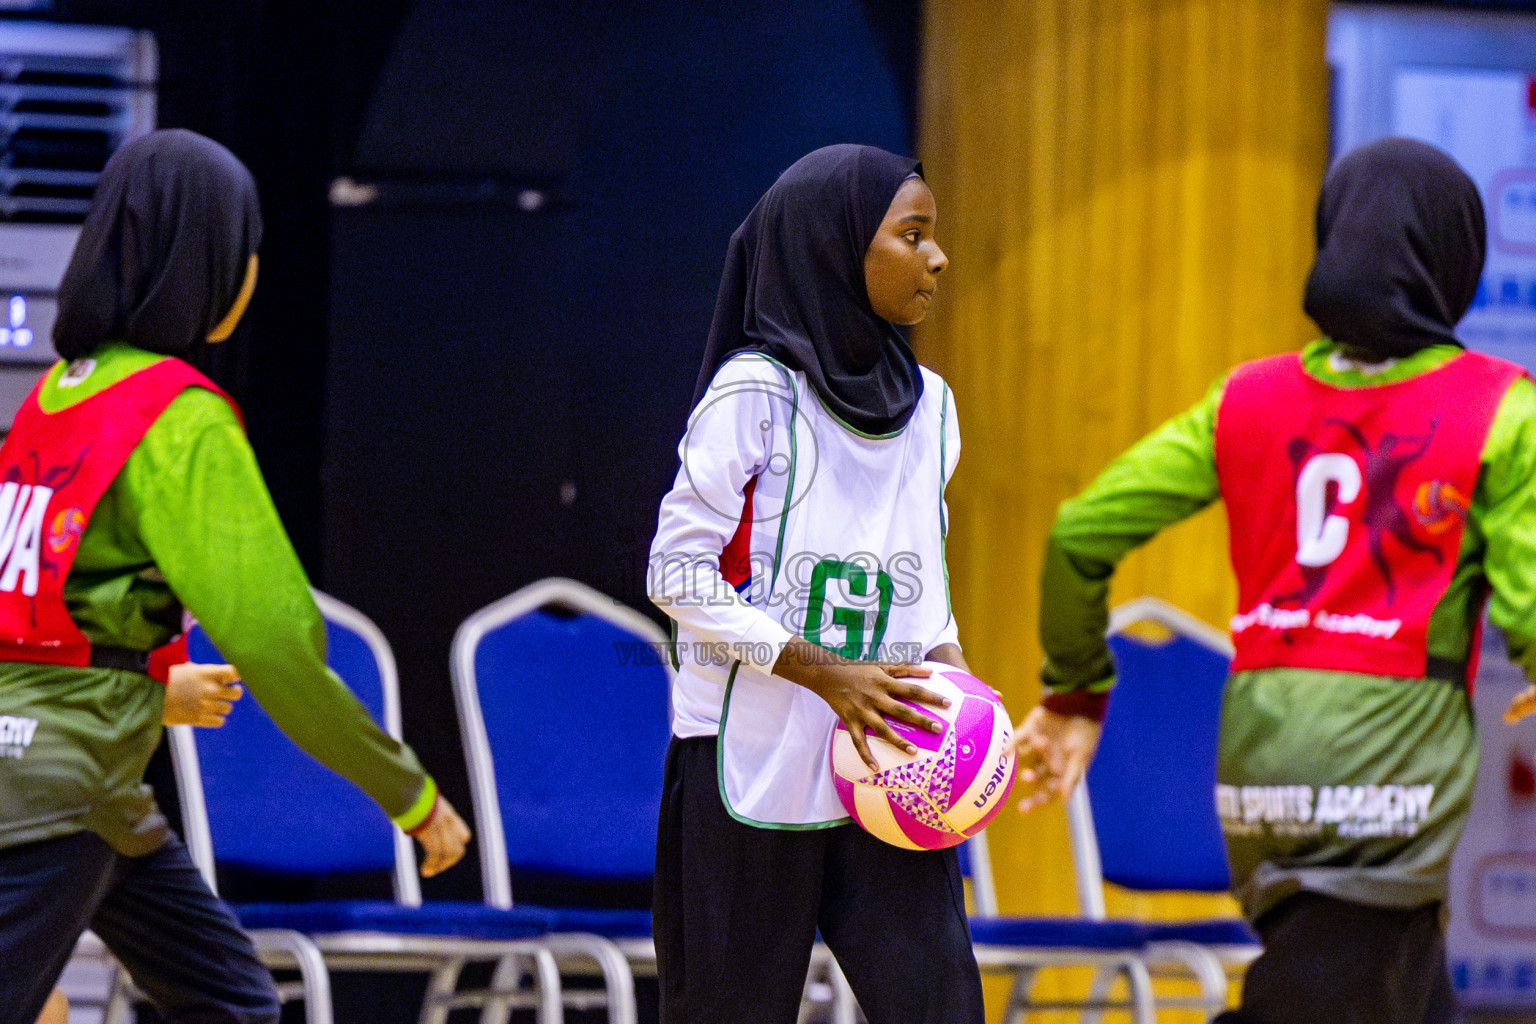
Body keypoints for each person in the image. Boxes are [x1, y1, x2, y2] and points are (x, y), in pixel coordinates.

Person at [1009, 136, 1536, 1024]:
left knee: (1399, 985)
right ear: (1458, 260)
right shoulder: (1503, 407)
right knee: (1338, 983)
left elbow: (1078, 532)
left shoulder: (1245, 398)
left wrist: (1074, 689)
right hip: (1390, 759)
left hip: (1257, 768)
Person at [0, 128, 471, 1024]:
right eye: (249, 246)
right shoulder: (176, 415)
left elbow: (36, 625)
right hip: (66, 785)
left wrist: (145, 684)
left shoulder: (49, 399)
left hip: (63, 776)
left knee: (233, 1003)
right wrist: (406, 793)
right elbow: (278, 647)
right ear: (211, 262)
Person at [647, 143, 985, 1024]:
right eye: (913, 235)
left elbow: (924, 587)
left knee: (944, 1008)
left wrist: (963, 703)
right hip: (747, 763)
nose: (937, 257)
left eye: (934, 237)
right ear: (833, 248)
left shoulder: (934, 405)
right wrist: (824, 674)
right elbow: (674, 573)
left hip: (889, 762)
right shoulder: (752, 392)